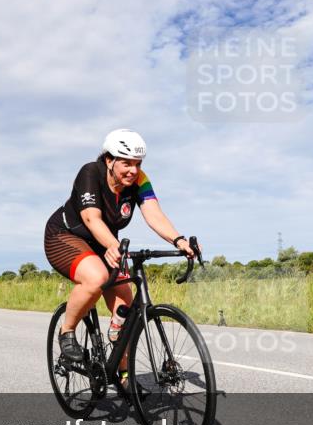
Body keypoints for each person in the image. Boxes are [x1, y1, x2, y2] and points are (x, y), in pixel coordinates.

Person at [43, 129, 197, 385]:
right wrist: (114, 245)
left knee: (125, 303)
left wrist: (179, 240)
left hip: (104, 243)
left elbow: (154, 215)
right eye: (126, 163)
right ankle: (67, 331)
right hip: (65, 236)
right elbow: (91, 218)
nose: (133, 170)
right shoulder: (90, 173)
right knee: (96, 278)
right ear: (109, 160)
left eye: (138, 164)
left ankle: (123, 374)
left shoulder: (139, 181)